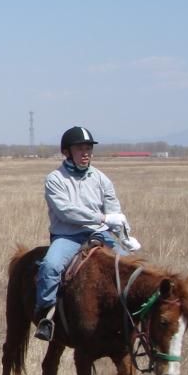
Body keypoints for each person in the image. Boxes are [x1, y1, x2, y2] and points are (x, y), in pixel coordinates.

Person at [34, 126, 138, 342]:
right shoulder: (55, 179)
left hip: (100, 235)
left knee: (131, 267)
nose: (86, 153)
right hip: (68, 237)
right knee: (50, 266)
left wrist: (124, 235)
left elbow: (113, 210)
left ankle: (132, 319)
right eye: (80, 148)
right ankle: (45, 315)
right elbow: (66, 211)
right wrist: (102, 219)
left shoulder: (101, 179)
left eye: (88, 148)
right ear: (67, 152)